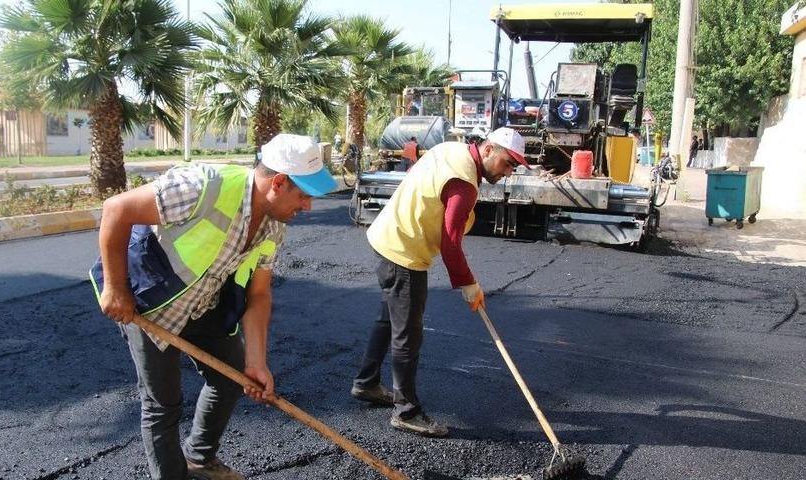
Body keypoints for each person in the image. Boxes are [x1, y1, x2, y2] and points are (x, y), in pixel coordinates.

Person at [90, 134, 336, 480]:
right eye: (304, 195)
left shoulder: (274, 226)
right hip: (150, 304)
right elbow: (116, 209)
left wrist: (256, 362)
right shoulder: (202, 186)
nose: (307, 206)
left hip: (203, 303)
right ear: (279, 182)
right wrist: (115, 289)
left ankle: (200, 458)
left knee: (230, 376)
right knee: (163, 405)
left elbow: (259, 294)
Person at [350, 127, 527, 437]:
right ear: (488, 150)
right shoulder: (465, 183)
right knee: (408, 334)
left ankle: (366, 383)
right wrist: (468, 284)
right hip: (404, 251)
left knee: (388, 320)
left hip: (389, 236)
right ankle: (406, 411)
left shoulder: (452, 150)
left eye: (514, 166)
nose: (508, 172)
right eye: (507, 163)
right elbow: (450, 243)